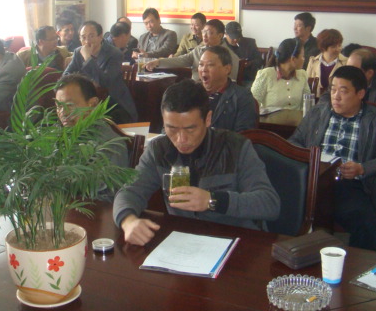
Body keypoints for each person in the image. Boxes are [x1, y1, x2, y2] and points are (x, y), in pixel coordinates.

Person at [113, 79, 280, 245]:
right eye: (171, 128)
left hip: (236, 242)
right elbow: (130, 192)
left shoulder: (236, 147)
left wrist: (211, 200)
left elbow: (269, 204)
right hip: (184, 242)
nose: (181, 139)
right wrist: (128, 221)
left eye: (190, 129)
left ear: (208, 119)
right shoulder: (159, 149)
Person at [290, 66, 376, 250]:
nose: (336, 97)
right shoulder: (318, 112)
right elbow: (294, 141)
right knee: (280, 205)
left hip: (348, 183)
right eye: (333, 90)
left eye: (343, 91)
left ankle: (358, 264)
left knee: (366, 225)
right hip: (312, 180)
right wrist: (307, 159)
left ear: (360, 94)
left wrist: (362, 168)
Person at [64, 21, 137, 122]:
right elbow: (65, 77)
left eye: (91, 36)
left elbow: (104, 83)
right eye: (83, 37)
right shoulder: (78, 52)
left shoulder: (115, 54)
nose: (87, 41)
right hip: (87, 103)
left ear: (100, 37)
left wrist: (88, 58)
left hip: (113, 105)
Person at [54, 74, 129, 169]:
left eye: (69, 105)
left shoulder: (109, 146)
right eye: (59, 106)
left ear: (93, 104)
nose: (63, 112)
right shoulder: (56, 137)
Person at [147, 19, 239, 82]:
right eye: (204, 31)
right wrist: (159, 62)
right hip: (194, 88)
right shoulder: (200, 49)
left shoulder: (229, 56)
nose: (204, 35)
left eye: (209, 33)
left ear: (220, 36)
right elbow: (181, 60)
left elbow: (231, 81)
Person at [198, 46, 256, 132]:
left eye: (210, 65)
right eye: (201, 64)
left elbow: (243, 135)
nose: (204, 69)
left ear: (227, 69)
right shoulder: (191, 93)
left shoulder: (242, 97)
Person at [251, 38, 309, 111]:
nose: (304, 59)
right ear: (293, 59)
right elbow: (252, 105)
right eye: (302, 56)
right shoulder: (265, 75)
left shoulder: (302, 75)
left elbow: (307, 104)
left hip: (297, 118)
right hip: (270, 118)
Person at [305, 29, 347, 97]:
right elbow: (306, 85)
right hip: (316, 100)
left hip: (337, 99)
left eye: (339, 45)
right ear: (323, 47)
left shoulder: (346, 63)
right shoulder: (313, 61)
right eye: (333, 46)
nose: (338, 49)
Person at [224, 21, 263, 85]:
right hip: (228, 79)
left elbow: (259, 60)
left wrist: (250, 63)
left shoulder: (250, 43)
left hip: (246, 79)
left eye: (238, 37)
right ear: (225, 34)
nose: (235, 40)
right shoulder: (221, 45)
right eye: (232, 37)